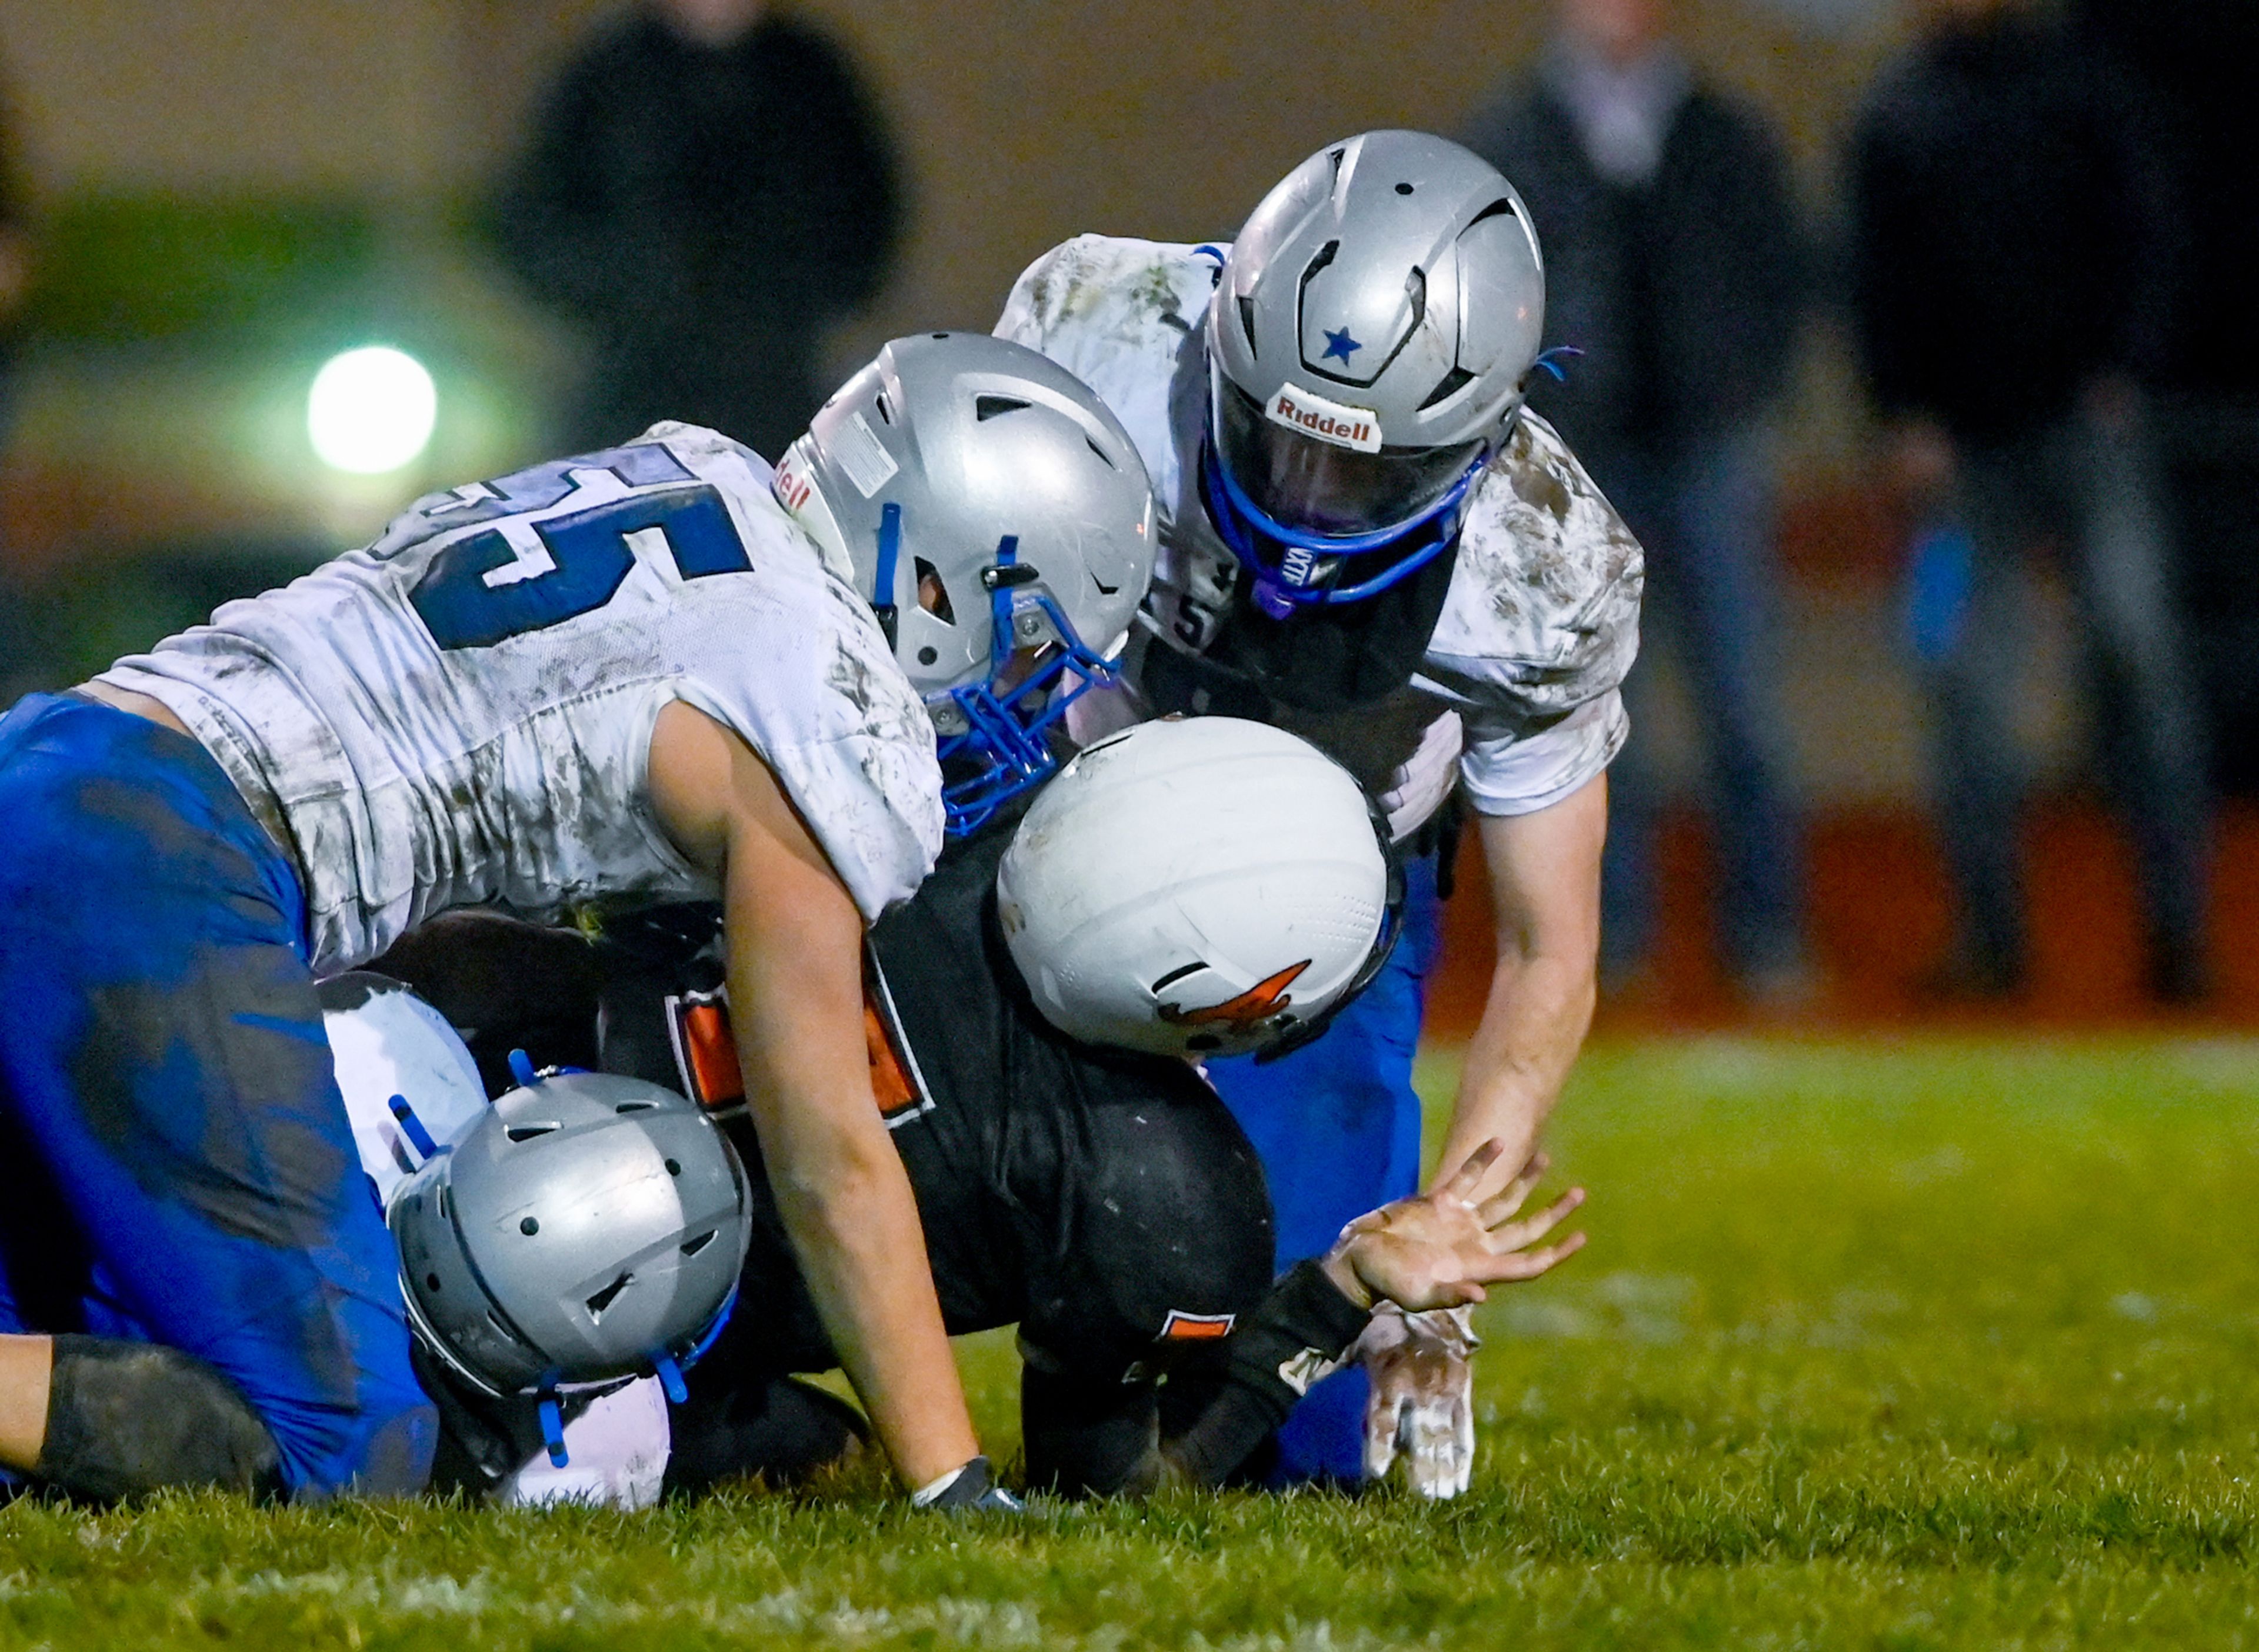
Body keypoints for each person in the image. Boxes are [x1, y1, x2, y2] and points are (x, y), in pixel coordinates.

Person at [0, 334, 1153, 1506]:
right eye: (1027, 645)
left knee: (57, 1337)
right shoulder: (836, 709)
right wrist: (949, 1476)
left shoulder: (703, 476)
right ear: (936, 581)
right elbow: (829, 1159)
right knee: (346, 1443)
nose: (1019, 694)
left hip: (62, 754)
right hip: (161, 852)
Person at [362, 742, 1584, 1503]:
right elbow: (1118, 1487)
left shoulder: (928, 783)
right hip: (570, 1359)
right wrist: (1344, 1286)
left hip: (417, 1035)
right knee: (807, 1450)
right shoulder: (1165, 1190)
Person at [991, 130, 1642, 1489]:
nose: (1305, 504)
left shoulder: (1541, 567)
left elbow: (1547, 950)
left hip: (1321, 894)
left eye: (1362, 473)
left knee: (1283, 1444)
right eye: (1282, 438)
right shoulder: (1095, 334)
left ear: (1482, 435)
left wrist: (1435, 1262)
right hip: (1040, 808)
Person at [1845, 0, 2208, 1003]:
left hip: (2088, 441)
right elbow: (1873, 278)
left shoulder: (2085, 86)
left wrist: (2122, 372)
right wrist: (1901, 414)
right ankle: (1992, 942)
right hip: (1952, 466)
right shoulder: (1899, 108)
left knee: (2140, 665)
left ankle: (2180, 939)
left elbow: (2149, 231)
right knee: (1953, 679)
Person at [1461, 0, 1810, 1002]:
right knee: (1600, 716)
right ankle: (1611, 950)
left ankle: (1769, 937)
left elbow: (1781, 271)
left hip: (1708, 447)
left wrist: (1746, 384)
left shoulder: (1722, 130)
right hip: (1581, 462)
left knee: (1745, 704)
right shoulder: (1513, 134)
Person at [494, 0, 902, 458]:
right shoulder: (608, 74)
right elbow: (535, 221)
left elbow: (867, 217)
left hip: (775, 389)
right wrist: (628, 287)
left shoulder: (810, 77)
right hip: (633, 386)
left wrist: (785, 294)